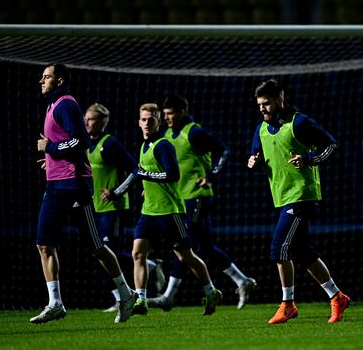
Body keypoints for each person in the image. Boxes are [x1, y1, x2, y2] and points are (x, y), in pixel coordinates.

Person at [31, 63, 137, 324]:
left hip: (73, 184)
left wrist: (50, 147)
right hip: (56, 183)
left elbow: (81, 142)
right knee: (45, 243)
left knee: (96, 247)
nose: (41, 80)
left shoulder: (66, 104)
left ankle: (126, 295)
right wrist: (52, 159)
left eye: (47, 77)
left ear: (60, 80)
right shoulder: (53, 105)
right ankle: (55, 303)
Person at [247, 79, 350, 325]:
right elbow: (256, 155)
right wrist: (254, 161)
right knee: (303, 252)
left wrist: (309, 159)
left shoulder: (299, 122)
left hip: (302, 194)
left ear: (280, 100)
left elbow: (331, 144)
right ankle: (337, 297)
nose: (262, 109)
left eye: (267, 104)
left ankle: (288, 304)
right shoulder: (261, 128)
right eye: (259, 104)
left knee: (279, 248)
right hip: (283, 197)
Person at [147, 94, 256, 311]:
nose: (166, 117)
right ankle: (242, 281)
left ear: (182, 112)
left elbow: (223, 151)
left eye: (170, 113)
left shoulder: (195, 132)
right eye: (165, 114)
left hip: (197, 197)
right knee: (205, 247)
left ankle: (169, 296)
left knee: (183, 243)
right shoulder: (168, 133)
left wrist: (211, 175)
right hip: (178, 199)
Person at [130, 102, 222, 316]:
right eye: (143, 119)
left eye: (151, 119)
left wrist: (146, 177)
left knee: (185, 256)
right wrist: (147, 187)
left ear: (158, 122)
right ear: (138, 122)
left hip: (170, 212)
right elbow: (150, 174)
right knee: (138, 253)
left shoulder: (163, 145)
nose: (146, 123)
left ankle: (210, 291)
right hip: (149, 211)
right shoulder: (143, 146)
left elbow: (173, 175)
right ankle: (140, 300)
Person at [84, 103, 165, 313]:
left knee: (108, 251)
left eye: (91, 119)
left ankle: (147, 271)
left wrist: (116, 192)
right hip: (95, 208)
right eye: (86, 118)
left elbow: (134, 169)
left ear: (102, 122)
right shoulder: (86, 144)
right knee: (99, 254)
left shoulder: (109, 144)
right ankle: (120, 296)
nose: (86, 122)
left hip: (114, 208)